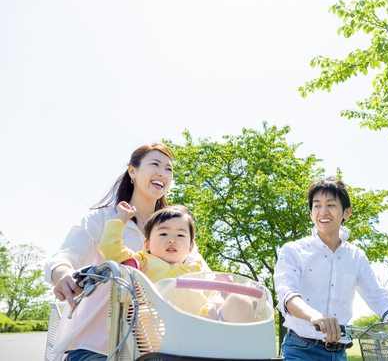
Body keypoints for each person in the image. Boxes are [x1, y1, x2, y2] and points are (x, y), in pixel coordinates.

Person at [45, 143, 209, 361]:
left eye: (169, 169)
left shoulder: (175, 230)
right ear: (132, 171)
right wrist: (62, 273)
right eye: (155, 164)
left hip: (159, 346)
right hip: (99, 344)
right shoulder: (102, 218)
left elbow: (203, 276)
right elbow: (64, 257)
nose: (163, 172)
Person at [274, 176, 388, 361]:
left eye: (331, 205)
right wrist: (316, 317)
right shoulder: (293, 250)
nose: (323, 211)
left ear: (346, 212)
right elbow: (288, 296)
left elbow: (377, 295)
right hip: (300, 350)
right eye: (317, 206)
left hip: (340, 353)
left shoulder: (356, 256)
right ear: (311, 213)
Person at [97, 202, 253, 322]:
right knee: (143, 313)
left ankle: (243, 354)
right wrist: (122, 217)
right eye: (163, 233)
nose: (172, 239)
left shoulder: (198, 271)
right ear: (147, 244)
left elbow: (214, 294)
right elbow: (109, 247)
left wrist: (213, 305)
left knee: (240, 299)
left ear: (191, 247)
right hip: (159, 336)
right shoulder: (141, 262)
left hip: (200, 330)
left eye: (180, 235)